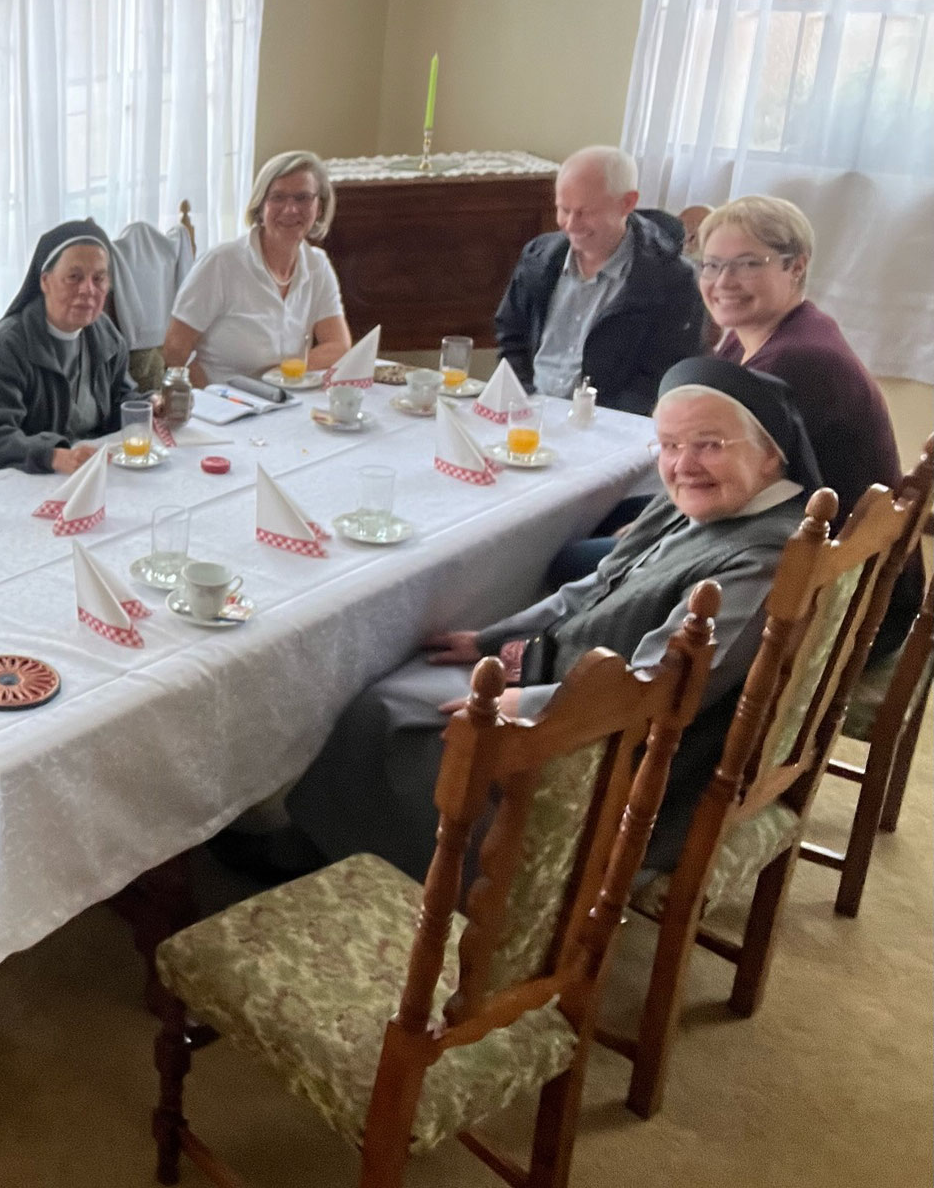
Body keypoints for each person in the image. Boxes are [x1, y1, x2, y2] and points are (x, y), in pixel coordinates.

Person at [277, 359, 819, 886]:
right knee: (397, 682)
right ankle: (338, 846)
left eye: (710, 443)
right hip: (582, 676)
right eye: (671, 445)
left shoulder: (763, 555)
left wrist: (530, 708)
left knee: (398, 713)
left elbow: (667, 688)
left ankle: (470, 902)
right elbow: (591, 586)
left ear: (771, 454)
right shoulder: (702, 501)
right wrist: (491, 639)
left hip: (633, 754)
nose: (684, 464)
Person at [697, 194, 918, 648]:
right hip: (800, 554)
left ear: (796, 266)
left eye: (746, 264)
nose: (723, 281)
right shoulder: (756, 336)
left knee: (583, 562)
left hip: (844, 605)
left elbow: (724, 488)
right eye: (712, 265)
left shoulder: (797, 360)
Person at [494, 146, 705, 414]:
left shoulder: (670, 279)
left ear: (626, 203)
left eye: (584, 212)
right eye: (563, 209)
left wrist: (595, 421)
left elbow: (661, 375)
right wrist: (522, 395)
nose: (570, 224)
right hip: (528, 409)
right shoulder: (539, 258)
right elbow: (511, 335)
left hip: (608, 423)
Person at [0, 220, 138, 479]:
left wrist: (151, 406)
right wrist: (54, 455)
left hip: (82, 473)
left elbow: (121, 399)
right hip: (10, 478)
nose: (88, 290)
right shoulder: (6, 346)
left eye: (98, 278)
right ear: (45, 281)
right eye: (74, 277)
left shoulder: (105, 334)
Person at [161, 151, 352, 389]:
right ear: (260, 206)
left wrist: (280, 376)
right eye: (278, 197)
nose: (291, 209)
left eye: (303, 198)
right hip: (224, 404)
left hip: (284, 399)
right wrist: (205, 396)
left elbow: (338, 346)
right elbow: (174, 349)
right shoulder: (222, 263)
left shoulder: (318, 266)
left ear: (320, 207)